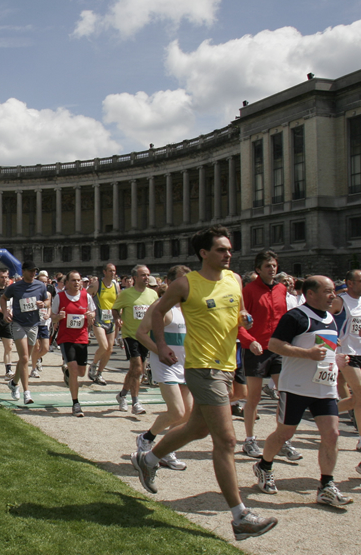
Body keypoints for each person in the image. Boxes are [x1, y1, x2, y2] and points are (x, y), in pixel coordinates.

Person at [132, 225, 277, 541]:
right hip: (202, 368)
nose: (229, 254)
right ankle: (240, 517)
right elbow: (157, 313)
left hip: (227, 365)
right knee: (225, 440)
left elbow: (236, 315)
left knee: (197, 428)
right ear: (204, 253)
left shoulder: (235, 280)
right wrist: (163, 344)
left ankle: (149, 458)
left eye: (229, 249)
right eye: (222, 249)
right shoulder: (186, 284)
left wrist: (245, 326)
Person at [253, 275, 354, 507]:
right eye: (328, 291)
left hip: (324, 387)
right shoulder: (296, 316)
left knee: (332, 434)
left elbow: (325, 348)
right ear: (310, 294)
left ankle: (326, 485)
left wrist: (337, 358)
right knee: (285, 434)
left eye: (333, 291)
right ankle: (264, 465)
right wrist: (306, 354)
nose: (333, 296)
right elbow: (275, 345)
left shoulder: (331, 317)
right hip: (296, 387)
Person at [238, 250, 301, 460]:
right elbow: (238, 323)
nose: (272, 269)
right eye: (267, 266)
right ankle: (249, 440)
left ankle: (283, 440)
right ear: (258, 269)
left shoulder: (282, 289)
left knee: (285, 395)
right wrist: (250, 341)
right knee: (253, 397)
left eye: (274, 265)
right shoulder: (248, 291)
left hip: (278, 349)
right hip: (256, 349)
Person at [134, 265, 193, 470]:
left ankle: (167, 450)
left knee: (187, 414)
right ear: (168, 283)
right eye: (181, 280)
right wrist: (160, 351)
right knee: (177, 411)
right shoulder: (161, 306)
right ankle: (146, 438)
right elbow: (141, 333)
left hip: (186, 364)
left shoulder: (189, 306)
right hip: (166, 365)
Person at [1, 261, 50, 406]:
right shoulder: (15, 287)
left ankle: (14, 383)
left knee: (24, 359)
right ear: (23, 271)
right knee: (23, 358)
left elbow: (47, 299)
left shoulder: (40, 286)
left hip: (33, 324)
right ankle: (27, 393)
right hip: (18, 324)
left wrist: (44, 304)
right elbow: (3, 298)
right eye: (30, 271)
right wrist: (5, 312)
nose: (33, 273)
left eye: (34, 271)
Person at [111, 264, 158, 414]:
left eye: (148, 275)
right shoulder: (126, 294)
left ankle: (122, 395)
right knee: (137, 368)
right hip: (131, 335)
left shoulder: (153, 294)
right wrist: (117, 319)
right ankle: (136, 403)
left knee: (137, 370)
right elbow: (115, 308)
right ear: (135, 278)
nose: (146, 278)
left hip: (146, 336)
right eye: (143, 275)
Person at [51, 271, 97, 417]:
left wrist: (91, 316)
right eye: (73, 280)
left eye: (79, 280)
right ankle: (76, 403)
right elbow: (52, 316)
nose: (77, 283)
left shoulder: (86, 296)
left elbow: (93, 313)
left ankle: (68, 374)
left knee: (81, 372)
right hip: (66, 338)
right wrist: (58, 317)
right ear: (67, 283)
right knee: (73, 368)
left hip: (82, 337)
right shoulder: (60, 297)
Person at [330, 268, 361, 451]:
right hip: (347, 353)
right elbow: (323, 318)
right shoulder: (340, 302)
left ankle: (325, 414)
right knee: (359, 391)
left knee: (355, 399)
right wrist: (330, 339)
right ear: (350, 283)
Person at [88, 263, 121, 385]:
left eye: (114, 271)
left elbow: (118, 301)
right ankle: (93, 365)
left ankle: (100, 373)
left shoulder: (116, 285)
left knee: (109, 349)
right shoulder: (97, 284)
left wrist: (119, 316)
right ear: (104, 272)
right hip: (99, 320)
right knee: (104, 346)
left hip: (111, 320)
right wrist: (90, 312)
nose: (113, 273)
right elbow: (85, 297)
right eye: (110, 271)